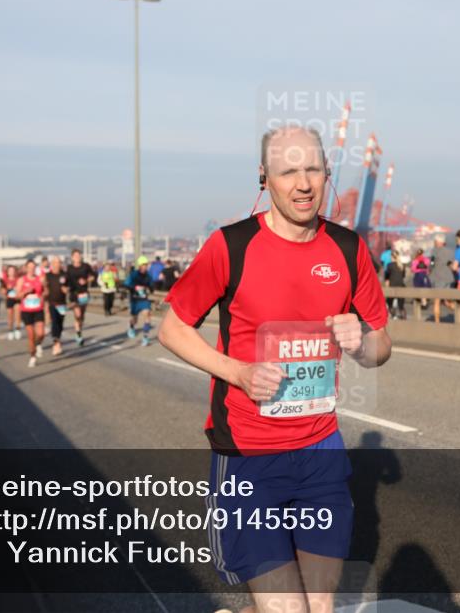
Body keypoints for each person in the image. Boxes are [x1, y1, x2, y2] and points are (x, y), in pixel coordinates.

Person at [158, 125, 391, 613]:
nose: (303, 184)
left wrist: (362, 342)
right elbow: (172, 329)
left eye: (313, 170)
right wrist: (239, 373)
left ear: (327, 173)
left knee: (319, 609)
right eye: (288, 172)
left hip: (321, 452)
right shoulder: (231, 245)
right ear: (264, 177)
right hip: (249, 454)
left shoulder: (348, 248)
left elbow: (380, 347)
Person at [16, 259, 46, 367]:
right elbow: (17, 296)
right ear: (26, 268)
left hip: (38, 309)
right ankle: (32, 356)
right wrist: (25, 291)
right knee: (31, 335)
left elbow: (46, 291)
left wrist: (42, 296)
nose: (31, 269)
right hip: (26, 311)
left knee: (41, 333)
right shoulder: (22, 280)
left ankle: (38, 344)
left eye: (33, 267)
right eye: (29, 267)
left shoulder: (40, 279)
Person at [65, 249, 96, 347]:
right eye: (75, 256)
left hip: (84, 294)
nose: (77, 257)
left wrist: (86, 280)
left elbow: (93, 276)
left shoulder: (85, 266)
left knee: (81, 316)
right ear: (72, 258)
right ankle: (78, 334)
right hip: (74, 294)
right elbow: (66, 280)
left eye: (79, 256)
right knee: (77, 314)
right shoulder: (69, 268)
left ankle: (79, 330)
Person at [125, 256, 154, 346]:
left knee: (147, 315)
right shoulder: (133, 275)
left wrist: (150, 288)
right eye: (144, 265)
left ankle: (145, 337)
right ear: (140, 265)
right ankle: (131, 326)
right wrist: (134, 287)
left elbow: (151, 287)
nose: (145, 267)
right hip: (135, 300)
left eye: (146, 265)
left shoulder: (148, 276)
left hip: (144, 299)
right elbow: (126, 284)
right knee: (135, 319)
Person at [44, 256, 68, 355]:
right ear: (51, 264)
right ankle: (56, 343)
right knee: (54, 323)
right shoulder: (48, 275)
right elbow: (44, 287)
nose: (57, 265)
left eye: (58, 263)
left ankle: (58, 340)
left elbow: (69, 286)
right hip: (52, 303)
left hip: (62, 303)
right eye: (55, 263)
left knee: (60, 324)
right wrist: (45, 294)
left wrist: (67, 289)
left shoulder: (64, 275)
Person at [429, 234, 455, 323]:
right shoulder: (450, 252)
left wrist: (430, 269)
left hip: (438, 278)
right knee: (446, 301)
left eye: (435, 241)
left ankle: (437, 322)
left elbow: (432, 264)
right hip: (448, 278)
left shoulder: (434, 251)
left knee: (437, 301)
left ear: (437, 242)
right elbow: (450, 264)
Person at [384, 250, 409, 320]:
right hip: (401, 285)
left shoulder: (389, 265)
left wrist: (387, 282)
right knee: (401, 305)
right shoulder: (402, 265)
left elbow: (387, 276)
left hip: (392, 286)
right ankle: (403, 317)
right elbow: (403, 276)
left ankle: (393, 315)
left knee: (389, 302)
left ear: (392, 257)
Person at [2, 265, 22, 340]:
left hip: (17, 298)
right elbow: (2, 290)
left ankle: (17, 329)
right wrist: (6, 290)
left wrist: (17, 289)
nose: (12, 272)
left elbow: (21, 288)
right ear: (7, 272)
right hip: (9, 299)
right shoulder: (5, 280)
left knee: (18, 314)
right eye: (10, 271)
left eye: (13, 271)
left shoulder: (18, 279)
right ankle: (10, 330)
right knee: (10, 316)